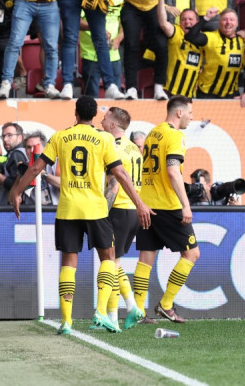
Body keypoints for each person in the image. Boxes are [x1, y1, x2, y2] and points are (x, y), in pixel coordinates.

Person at [10, 96, 153, 335]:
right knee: (109, 258)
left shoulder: (60, 137)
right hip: (95, 208)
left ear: (75, 113)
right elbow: (119, 173)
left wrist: (17, 191)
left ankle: (67, 321)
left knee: (69, 263)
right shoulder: (105, 138)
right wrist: (139, 202)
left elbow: (36, 168)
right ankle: (100, 311)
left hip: (68, 209)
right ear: (95, 115)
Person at [133, 95, 198, 324]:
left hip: (147, 203)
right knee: (192, 254)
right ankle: (166, 304)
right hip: (168, 205)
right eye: (190, 112)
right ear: (179, 112)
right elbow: (172, 171)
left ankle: (138, 311)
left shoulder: (153, 133)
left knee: (146, 257)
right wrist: (185, 205)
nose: (192, 117)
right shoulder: (175, 135)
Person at [101, 107, 144, 329]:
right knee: (115, 264)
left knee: (110, 264)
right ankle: (128, 309)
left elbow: (114, 185)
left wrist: (102, 213)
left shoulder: (114, 147)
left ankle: (114, 317)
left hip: (118, 209)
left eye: (104, 119)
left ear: (112, 125)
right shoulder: (134, 148)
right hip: (132, 211)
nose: (101, 122)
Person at [184, 7, 245, 98]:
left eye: (232, 20)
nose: (228, 22)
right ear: (219, 23)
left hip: (231, 94)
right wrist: (206, 18)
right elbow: (190, 37)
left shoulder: (243, 40)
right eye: (224, 20)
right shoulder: (211, 37)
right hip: (207, 93)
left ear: (237, 23)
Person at [79, 0, 126, 99]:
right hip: (91, 54)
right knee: (91, 98)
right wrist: (97, 29)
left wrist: (119, 38)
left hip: (113, 55)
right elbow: (77, 22)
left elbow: (125, 23)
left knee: (116, 99)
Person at [157, 0, 203, 97]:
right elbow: (163, 23)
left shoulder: (203, 39)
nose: (187, 22)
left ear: (197, 22)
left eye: (191, 19)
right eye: (183, 19)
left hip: (191, 95)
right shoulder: (176, 32)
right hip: (170, 92)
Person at [20, 131, 61, 205]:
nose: (32, 151)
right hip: (30, 209)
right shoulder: (24, 166)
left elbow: (65, 185)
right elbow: (12, 198)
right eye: (28, 147)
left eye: (36, 147)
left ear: (45, 148)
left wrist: (44, 174)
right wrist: (20, 176)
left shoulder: (55, 163)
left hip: (53, 209)